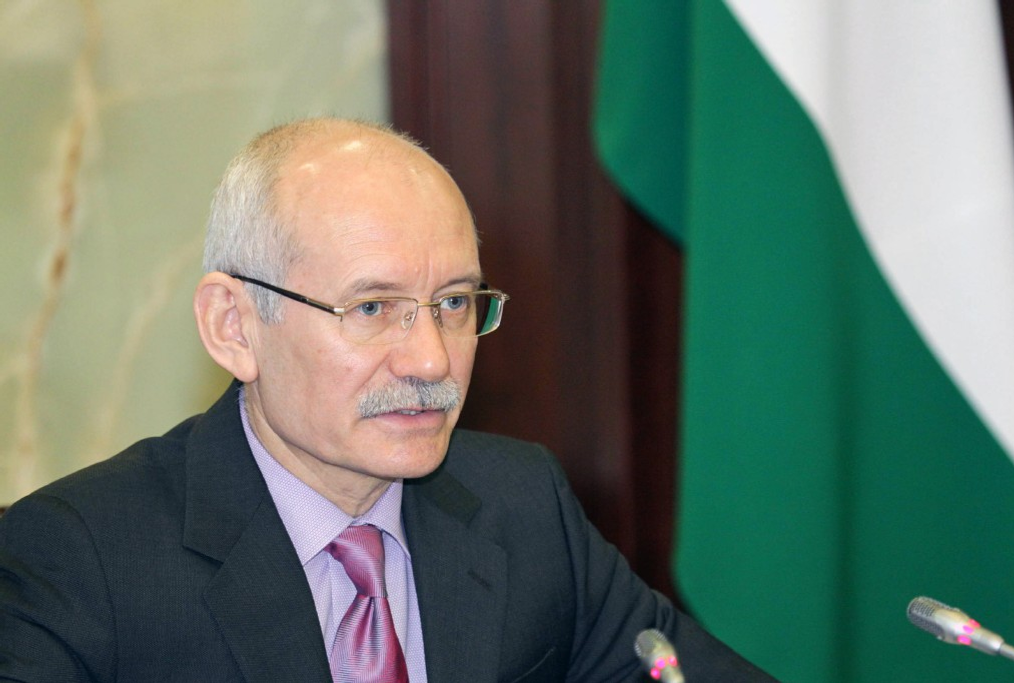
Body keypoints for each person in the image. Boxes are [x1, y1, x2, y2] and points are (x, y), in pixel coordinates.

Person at [0, 118, 777, 682]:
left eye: (454, 303)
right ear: (234, 326)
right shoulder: (77, 561)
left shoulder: (522, 506)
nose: (431, 359)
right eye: (372, 307)